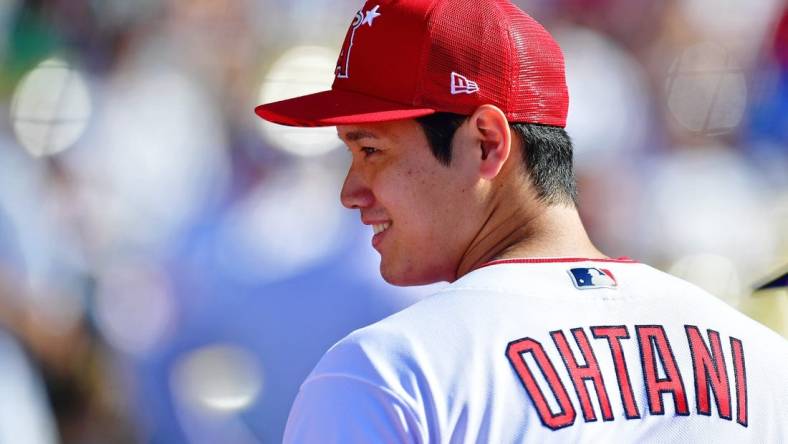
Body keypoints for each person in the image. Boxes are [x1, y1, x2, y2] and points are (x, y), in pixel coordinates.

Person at [255, 0, 788, 442]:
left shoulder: (387, 372)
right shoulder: (765, 363)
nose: (350, 192)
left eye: (371, 149)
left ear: (487, 143)